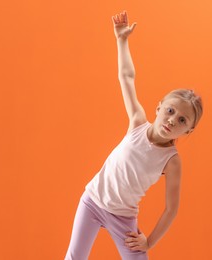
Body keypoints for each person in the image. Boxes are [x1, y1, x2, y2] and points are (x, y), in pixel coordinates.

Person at [65, 10, 203, 260]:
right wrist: (122, 40)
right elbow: (126, 77)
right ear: (159, 107)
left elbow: (171, 209)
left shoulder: (171, 161)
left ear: (189, 130)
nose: (172, 120)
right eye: (170, 111)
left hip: (123, 217)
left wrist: (148, 241)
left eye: (182, 120)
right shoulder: (138, 122)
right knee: (74, 257)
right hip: (92, 201)